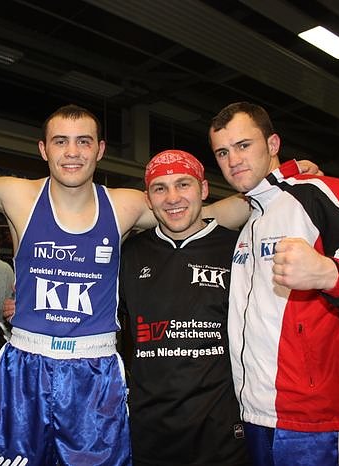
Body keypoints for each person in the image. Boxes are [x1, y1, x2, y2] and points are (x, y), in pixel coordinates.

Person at [0, 104, 327, 465]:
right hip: (27, 367)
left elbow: (206, 211)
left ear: (100, 149)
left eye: (83, 141)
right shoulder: (17, 193)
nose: (72, 152)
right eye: (61, 141)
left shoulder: (124, 205)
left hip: (94, 372)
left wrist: (279, 180)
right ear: (43, 149)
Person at [208, 101, 339, 465]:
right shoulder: (251, 221)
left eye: (243, 145)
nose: (233, 160)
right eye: (222, 152)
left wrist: (330, 273)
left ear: (273, 144)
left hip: (323, 423)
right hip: (257, 418)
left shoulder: (316, 193)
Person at [118, 149, 249, 465]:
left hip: (222, 432)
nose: (172, 198)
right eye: (160, 188)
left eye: (183, 184)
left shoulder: (237, 249)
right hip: (149, 433)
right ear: (148, 199)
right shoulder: (129, 254)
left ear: (203, 189)